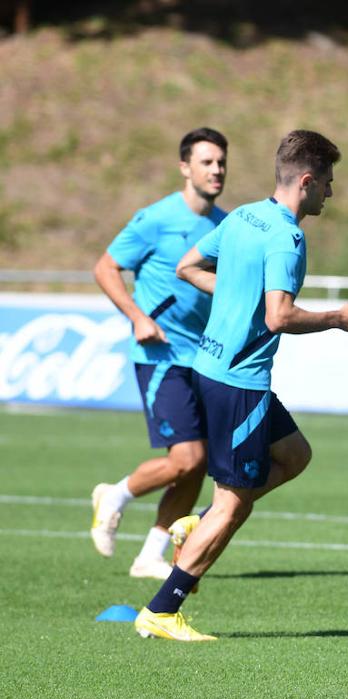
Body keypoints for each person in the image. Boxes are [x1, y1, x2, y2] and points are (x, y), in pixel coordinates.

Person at [133, 130, 348, 641]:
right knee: (234, 505)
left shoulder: (243, 216)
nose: (330, 191)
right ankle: (162, 609)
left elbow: (187, 267)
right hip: (239, 383)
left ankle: (198, 521)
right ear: (306, 181)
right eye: (327, 182)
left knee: (295, 455)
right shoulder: (286, 238)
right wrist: (338, 318)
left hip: (211, 368)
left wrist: (236, 294)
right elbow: (279, 316)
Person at [90, 128, 229, 579]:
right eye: (206, 162)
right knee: (186, 458)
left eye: (221, 162)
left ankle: (150, 555)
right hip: (160, 356)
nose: (216, 170)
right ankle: (115, 494)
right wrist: (136, 316)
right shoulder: (156, 218)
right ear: (185, 167)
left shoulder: (225, 226)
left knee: (197, 465)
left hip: (203, 358)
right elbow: (106, 267)